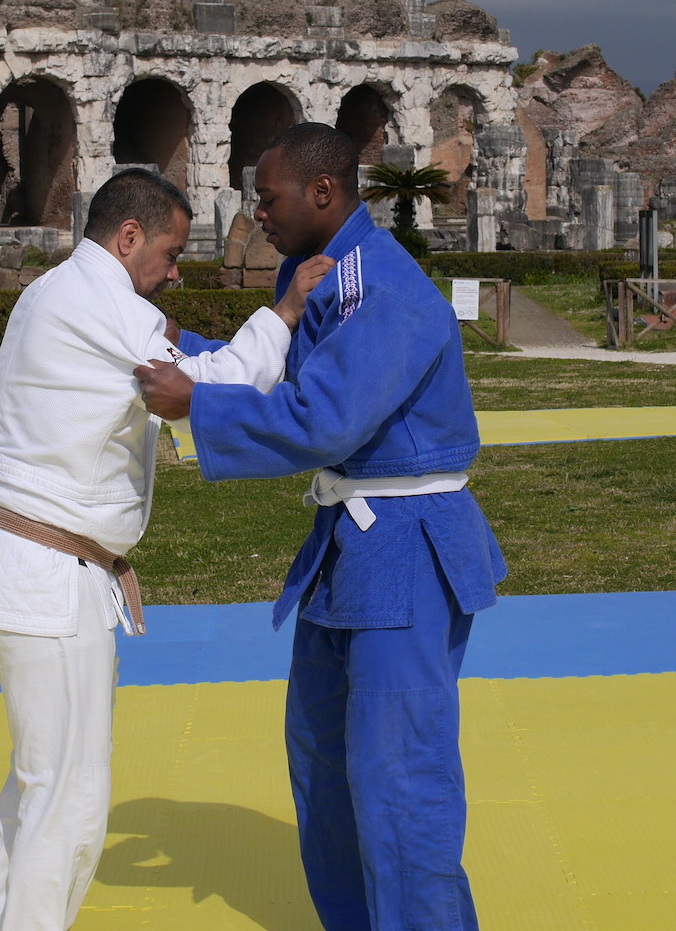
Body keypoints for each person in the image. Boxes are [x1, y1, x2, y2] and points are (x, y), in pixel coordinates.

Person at [136, 124, 506, 931]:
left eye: (267, 199)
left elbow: (324, 416)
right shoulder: (331, 279)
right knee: (323, 762)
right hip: (355, 548)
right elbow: (286, 372)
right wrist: (183, 350)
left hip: (407, 547)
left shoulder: (386, 289)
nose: (257, 213)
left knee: (399, 780)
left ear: (323, 194)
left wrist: (196, 401)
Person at [0, 167, 334, 931]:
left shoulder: (58, 293)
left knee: (40, 783)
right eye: (167, 251)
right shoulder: (97, 300)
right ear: (127, 239)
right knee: (72, 799)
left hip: (13, 565)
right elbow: (212, 382)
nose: (174, 268)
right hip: (44, 579)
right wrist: (285, 314)